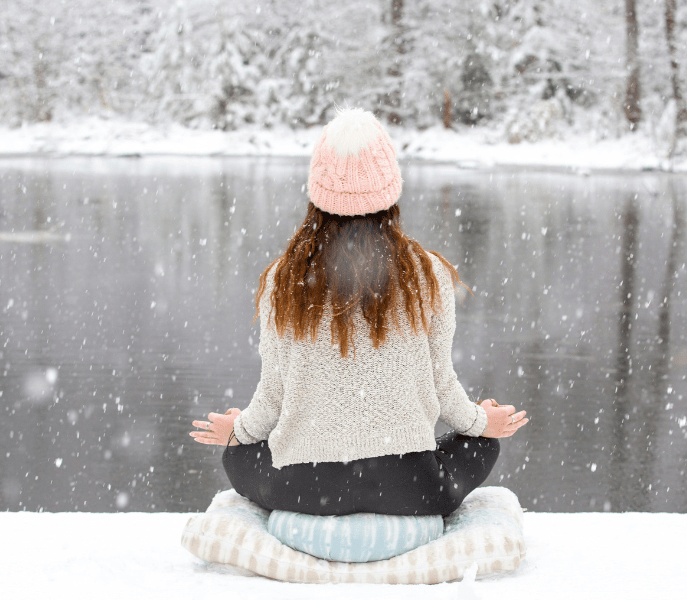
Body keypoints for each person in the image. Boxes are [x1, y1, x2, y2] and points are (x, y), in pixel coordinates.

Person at [189, 107, 528, 517]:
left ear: (317, 192)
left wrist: (238, 432)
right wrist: (481, 423)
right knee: (480, 444)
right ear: (390, 191)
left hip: (304, 490)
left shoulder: (283, 279)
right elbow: (442, 385)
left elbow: (272, 397)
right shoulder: (429, 273)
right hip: (412, 491)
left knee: (236, 456)